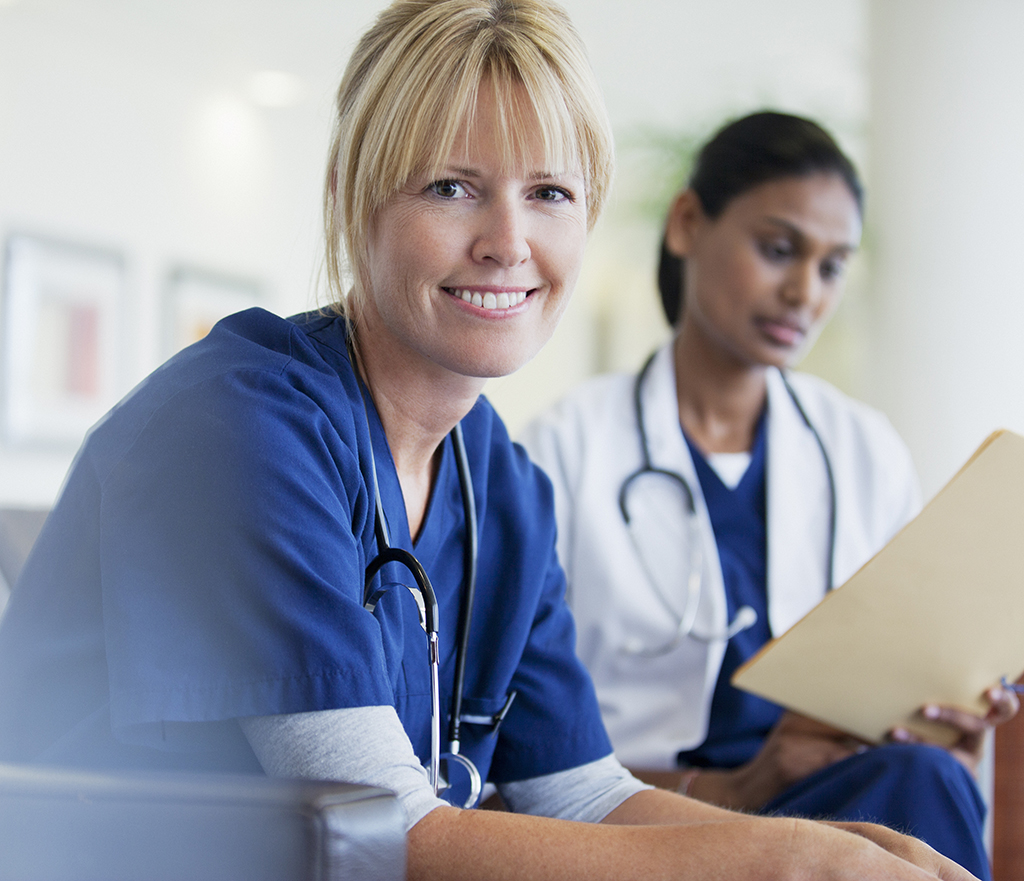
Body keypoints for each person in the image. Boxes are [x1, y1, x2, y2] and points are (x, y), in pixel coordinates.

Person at [0, 5, 985, 878]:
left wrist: (842, 849)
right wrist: (785, 859)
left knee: (901, 810)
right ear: (355, 196)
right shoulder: (240, 424)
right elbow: (384, 835)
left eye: (550, 193)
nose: (507, 241)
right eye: (452, 187)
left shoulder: (499, 478)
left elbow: (582, 793)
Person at [520, 110, 1019, 881]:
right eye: (779, 249)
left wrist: (944, 717)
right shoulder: (566, 448)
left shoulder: (862, 449)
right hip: (652, 823)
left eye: (832, 266)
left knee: (926, 776)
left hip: (842, 797)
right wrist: (738, 787)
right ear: (688, 222)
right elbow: (530, 768)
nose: (803, 292)